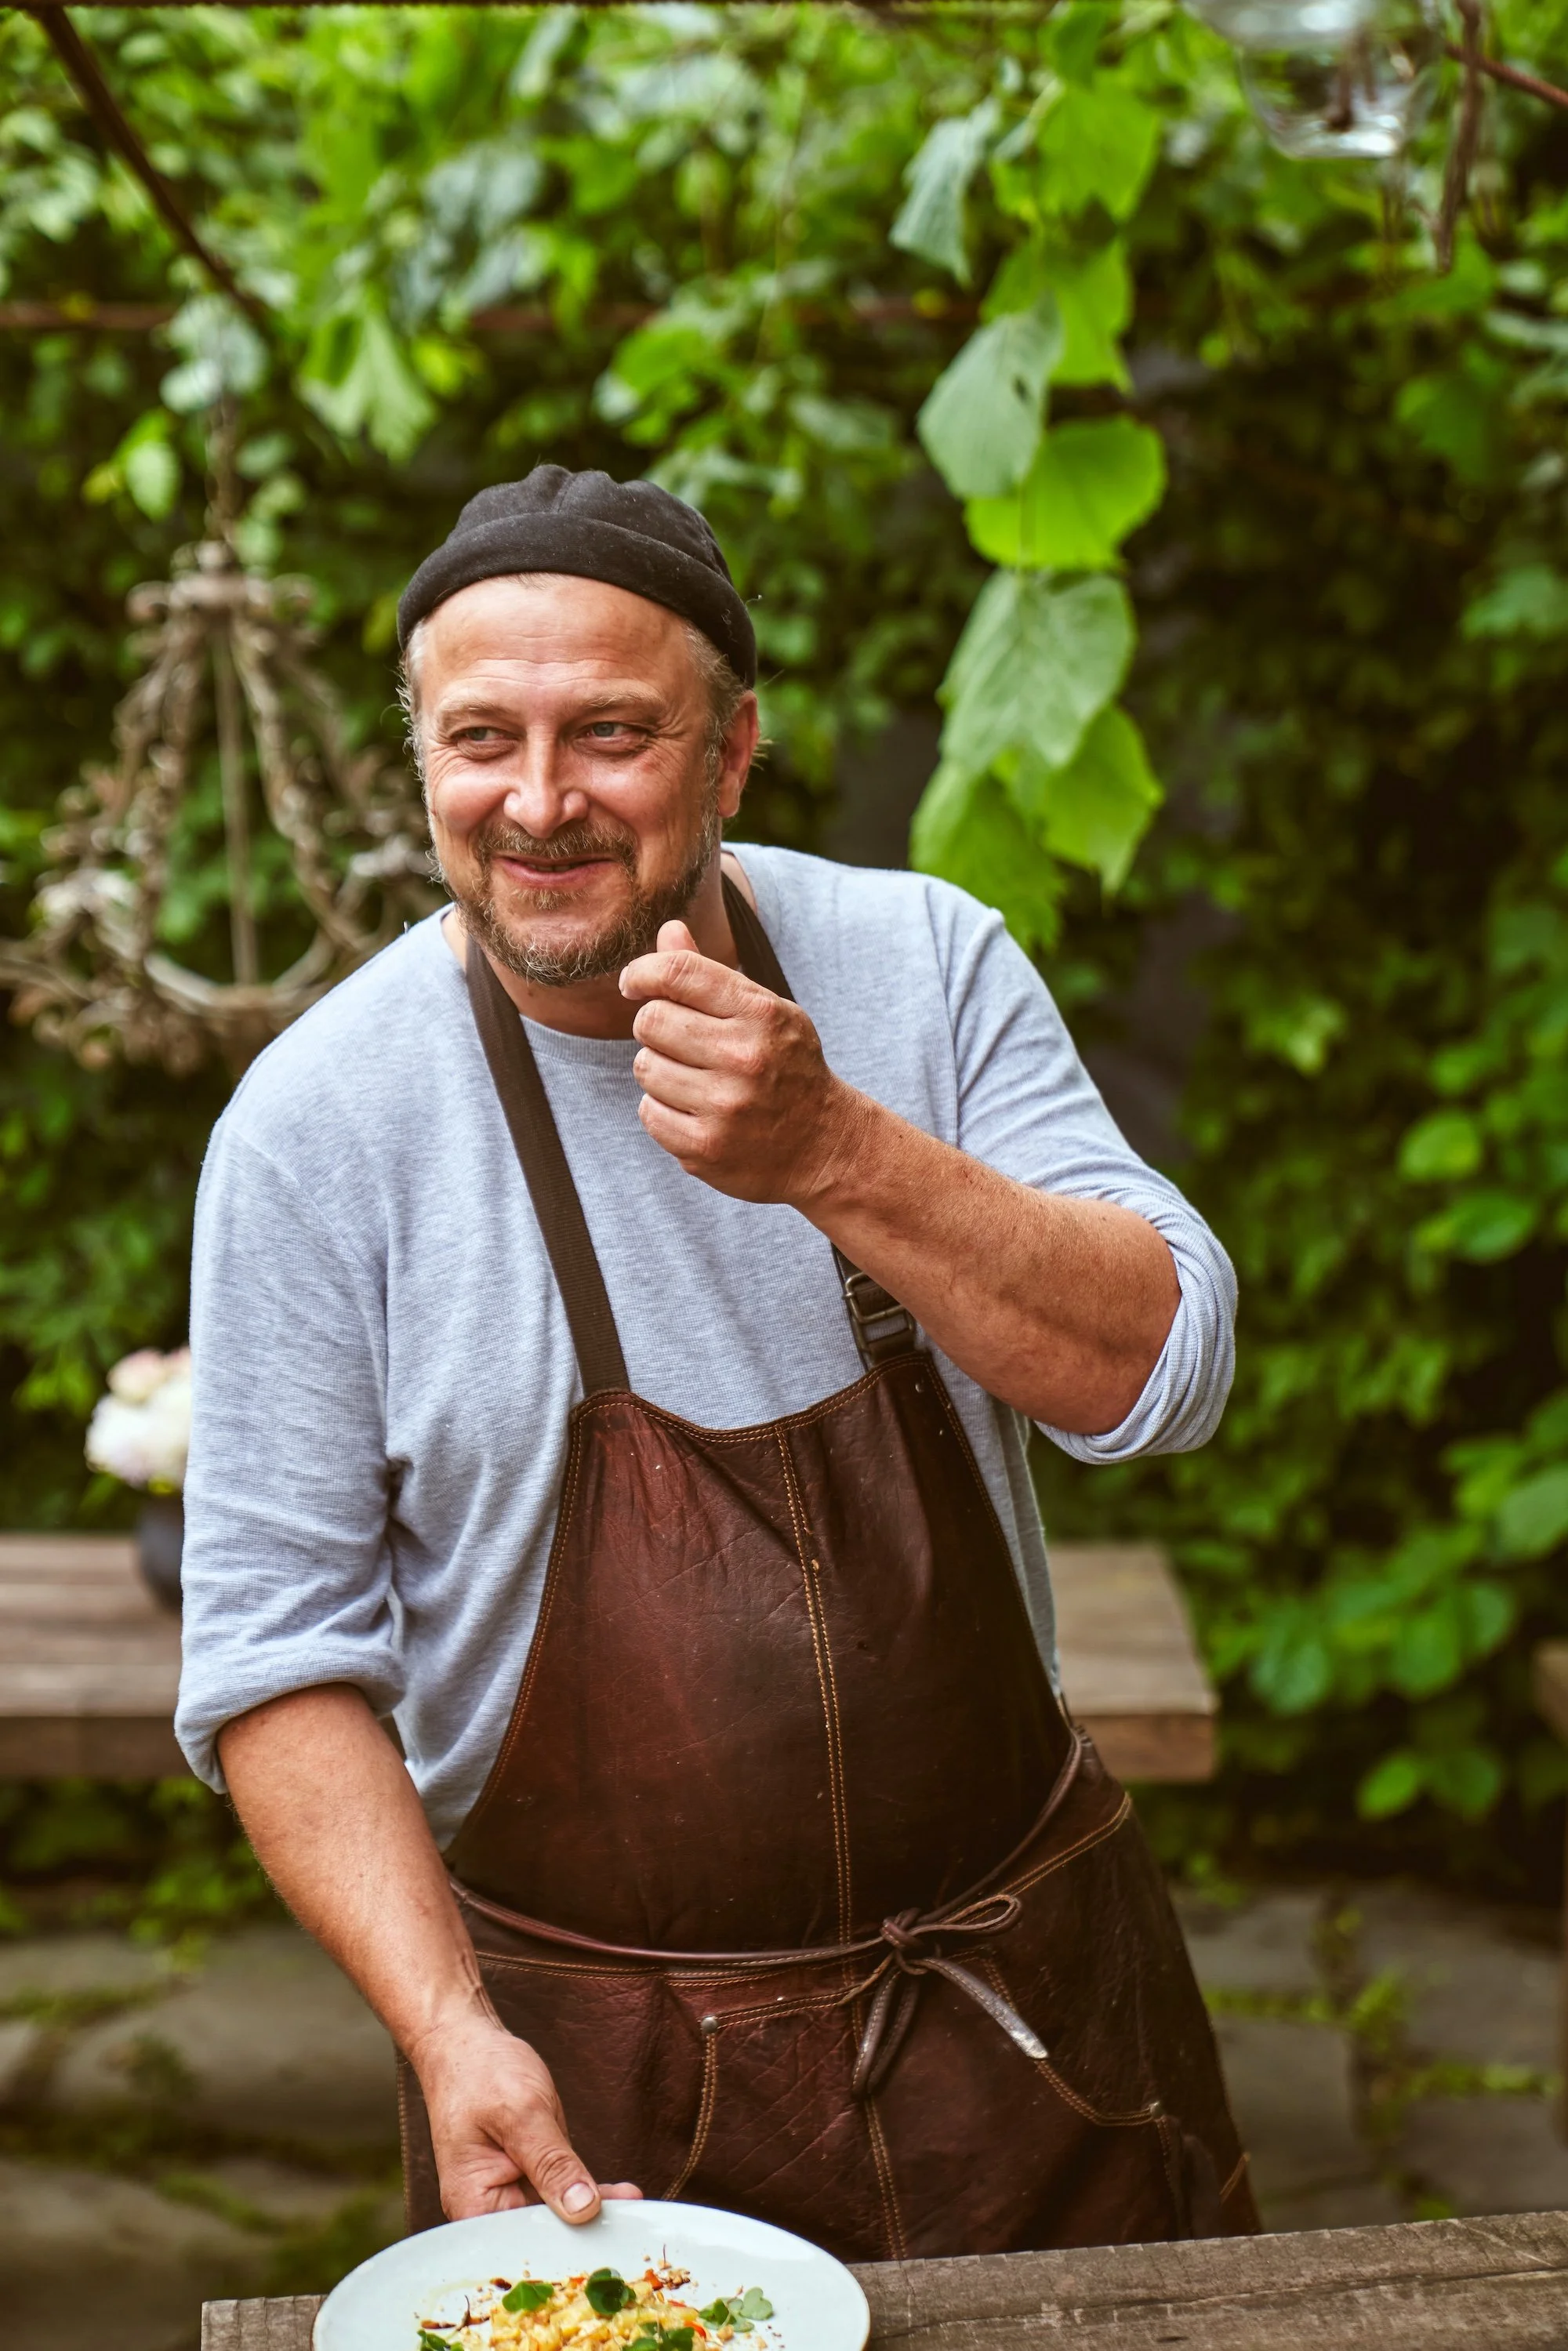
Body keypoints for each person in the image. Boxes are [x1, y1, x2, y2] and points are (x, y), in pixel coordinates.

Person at [176, 465, 1256, 2261]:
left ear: (733, 750)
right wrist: (448, 2030)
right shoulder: (317, 1125)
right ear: (420, 759)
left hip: (1033, 2026)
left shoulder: (923, 963)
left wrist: (838, 1148)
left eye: (611, 732)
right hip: (591, 2088)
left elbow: (1162, 1367)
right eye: (481, 738)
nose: (539, 800)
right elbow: (277, 1656)